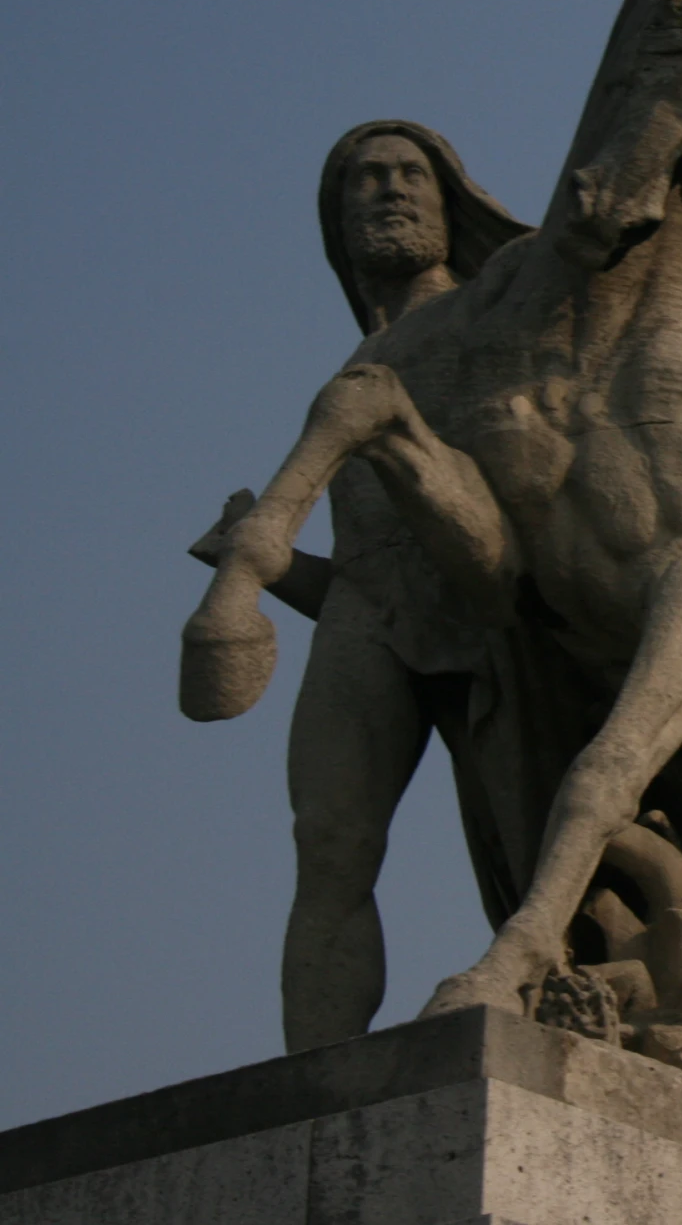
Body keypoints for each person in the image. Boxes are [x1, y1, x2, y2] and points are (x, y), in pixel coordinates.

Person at [191, 120, 531, 1051]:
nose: (391, 191)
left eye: (412, 174)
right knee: (329, 847)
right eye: (367, 181)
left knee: (533, 856)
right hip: (366, 617)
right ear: (337, 227)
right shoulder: (350, 361)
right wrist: (258, 560)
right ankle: (315, 1077)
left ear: (450, 197)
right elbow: (370, 565)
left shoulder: (490, 316)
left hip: (495, 616)